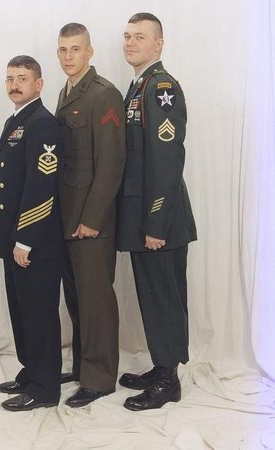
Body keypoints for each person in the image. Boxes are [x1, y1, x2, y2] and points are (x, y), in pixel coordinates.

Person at [117, 13, 197, 411]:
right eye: (127, 36)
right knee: (152, 295)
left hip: (159, 220)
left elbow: (167, 161)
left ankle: (169, 380)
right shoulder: (138, 86)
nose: (130, 42)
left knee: (164, 297)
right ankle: (161, 364)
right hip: (142, 217)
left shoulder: (161, 88)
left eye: (140, 37)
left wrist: (155, 222)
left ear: (159, 44)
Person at [55, 23, 126, 407]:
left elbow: (111, 165)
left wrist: (93, 219)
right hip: (66, 218)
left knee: (96, 299)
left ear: (90, 52)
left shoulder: (104, 95)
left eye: (75, 49)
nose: (69, 57)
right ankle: (85, 365)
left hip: (90, 223)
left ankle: (99, 379)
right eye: (63, 50)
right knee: (78, 299)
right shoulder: (65, 94)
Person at [0, 55, 63, 412]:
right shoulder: (17, 120)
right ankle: (31, 371)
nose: (14, 84)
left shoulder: (42, 124)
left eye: (22, 77)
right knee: (22, 310)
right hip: (14, 239)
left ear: (39, 84)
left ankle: (46, 388)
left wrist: (25, 239)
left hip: (35, 241)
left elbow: (41, 185)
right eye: (9, 78)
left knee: (39, 313)